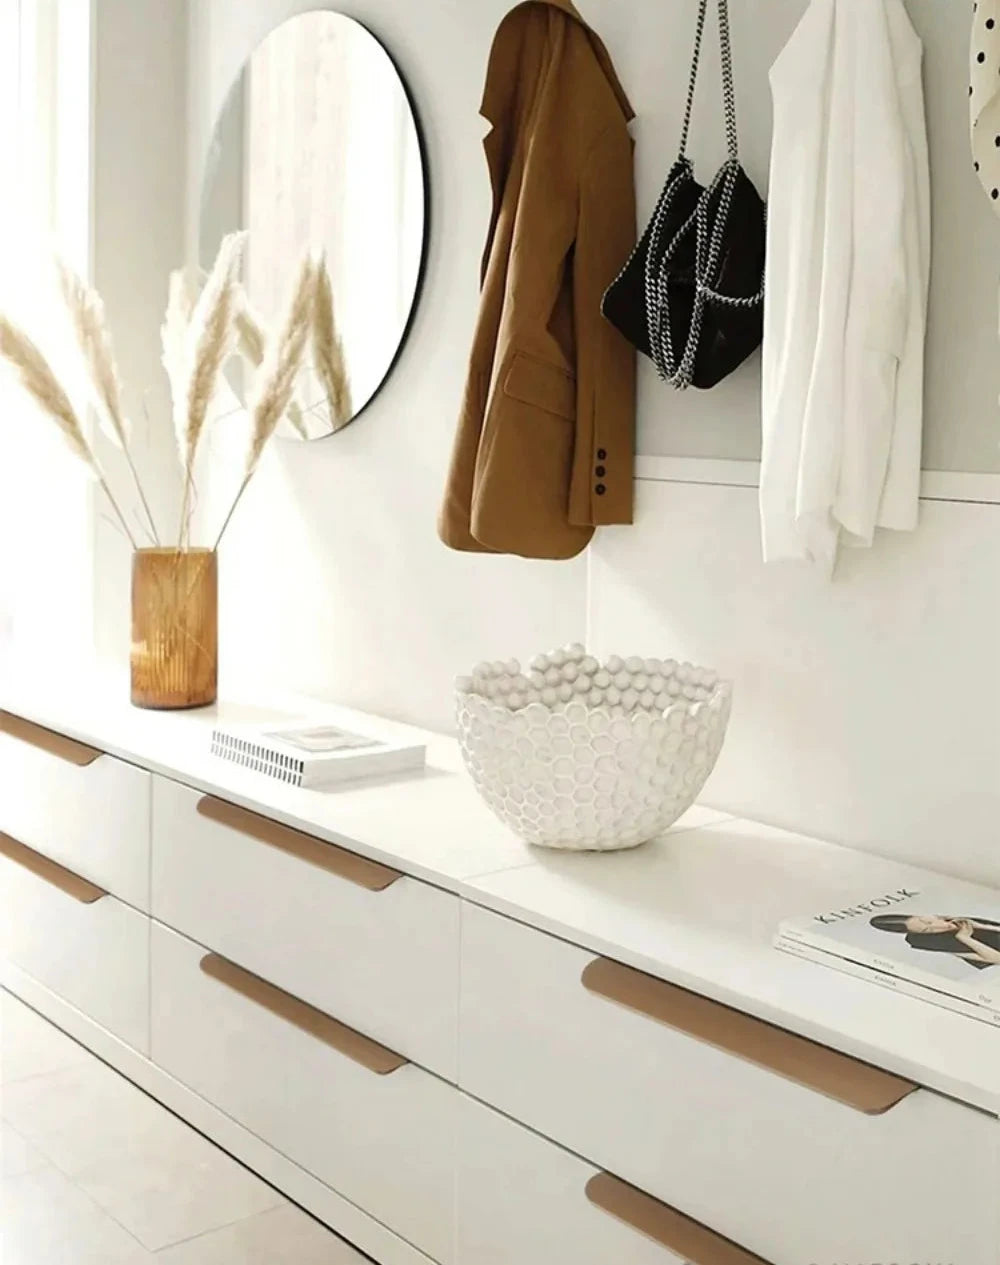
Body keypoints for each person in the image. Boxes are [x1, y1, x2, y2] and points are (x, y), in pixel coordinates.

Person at [870, 914, 1000, 970]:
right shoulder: (948, 942)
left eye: (927, 921)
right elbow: (997, 959)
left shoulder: (959, 920)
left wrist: (980, 926)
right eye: (929, 930)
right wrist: (966, 938)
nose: (938, 926)